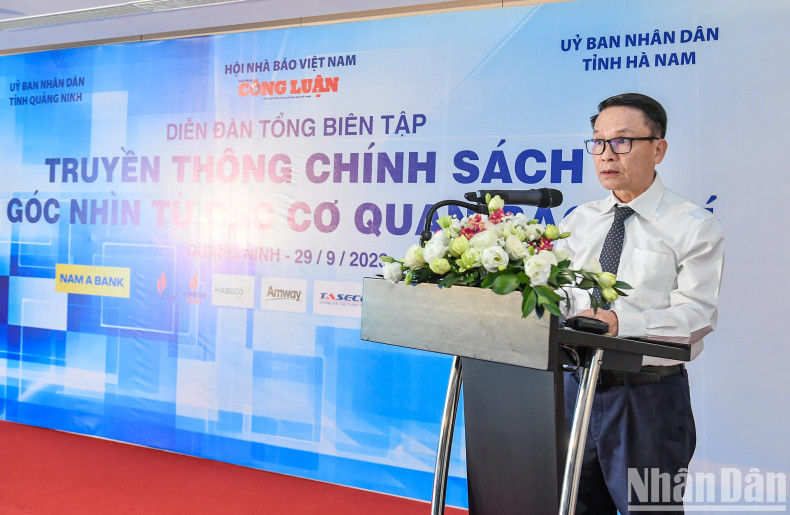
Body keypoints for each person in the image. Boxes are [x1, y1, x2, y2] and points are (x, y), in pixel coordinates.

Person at [557, 93, 725, 514]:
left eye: (622, 141)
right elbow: (559, 297)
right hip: (573, 390)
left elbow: (697, 316)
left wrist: (619, 323)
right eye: (597, 142)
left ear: (659, 148)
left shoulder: (693, 225)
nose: (606, 155)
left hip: (645, 402)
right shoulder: (578, 222)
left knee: (651, 510)